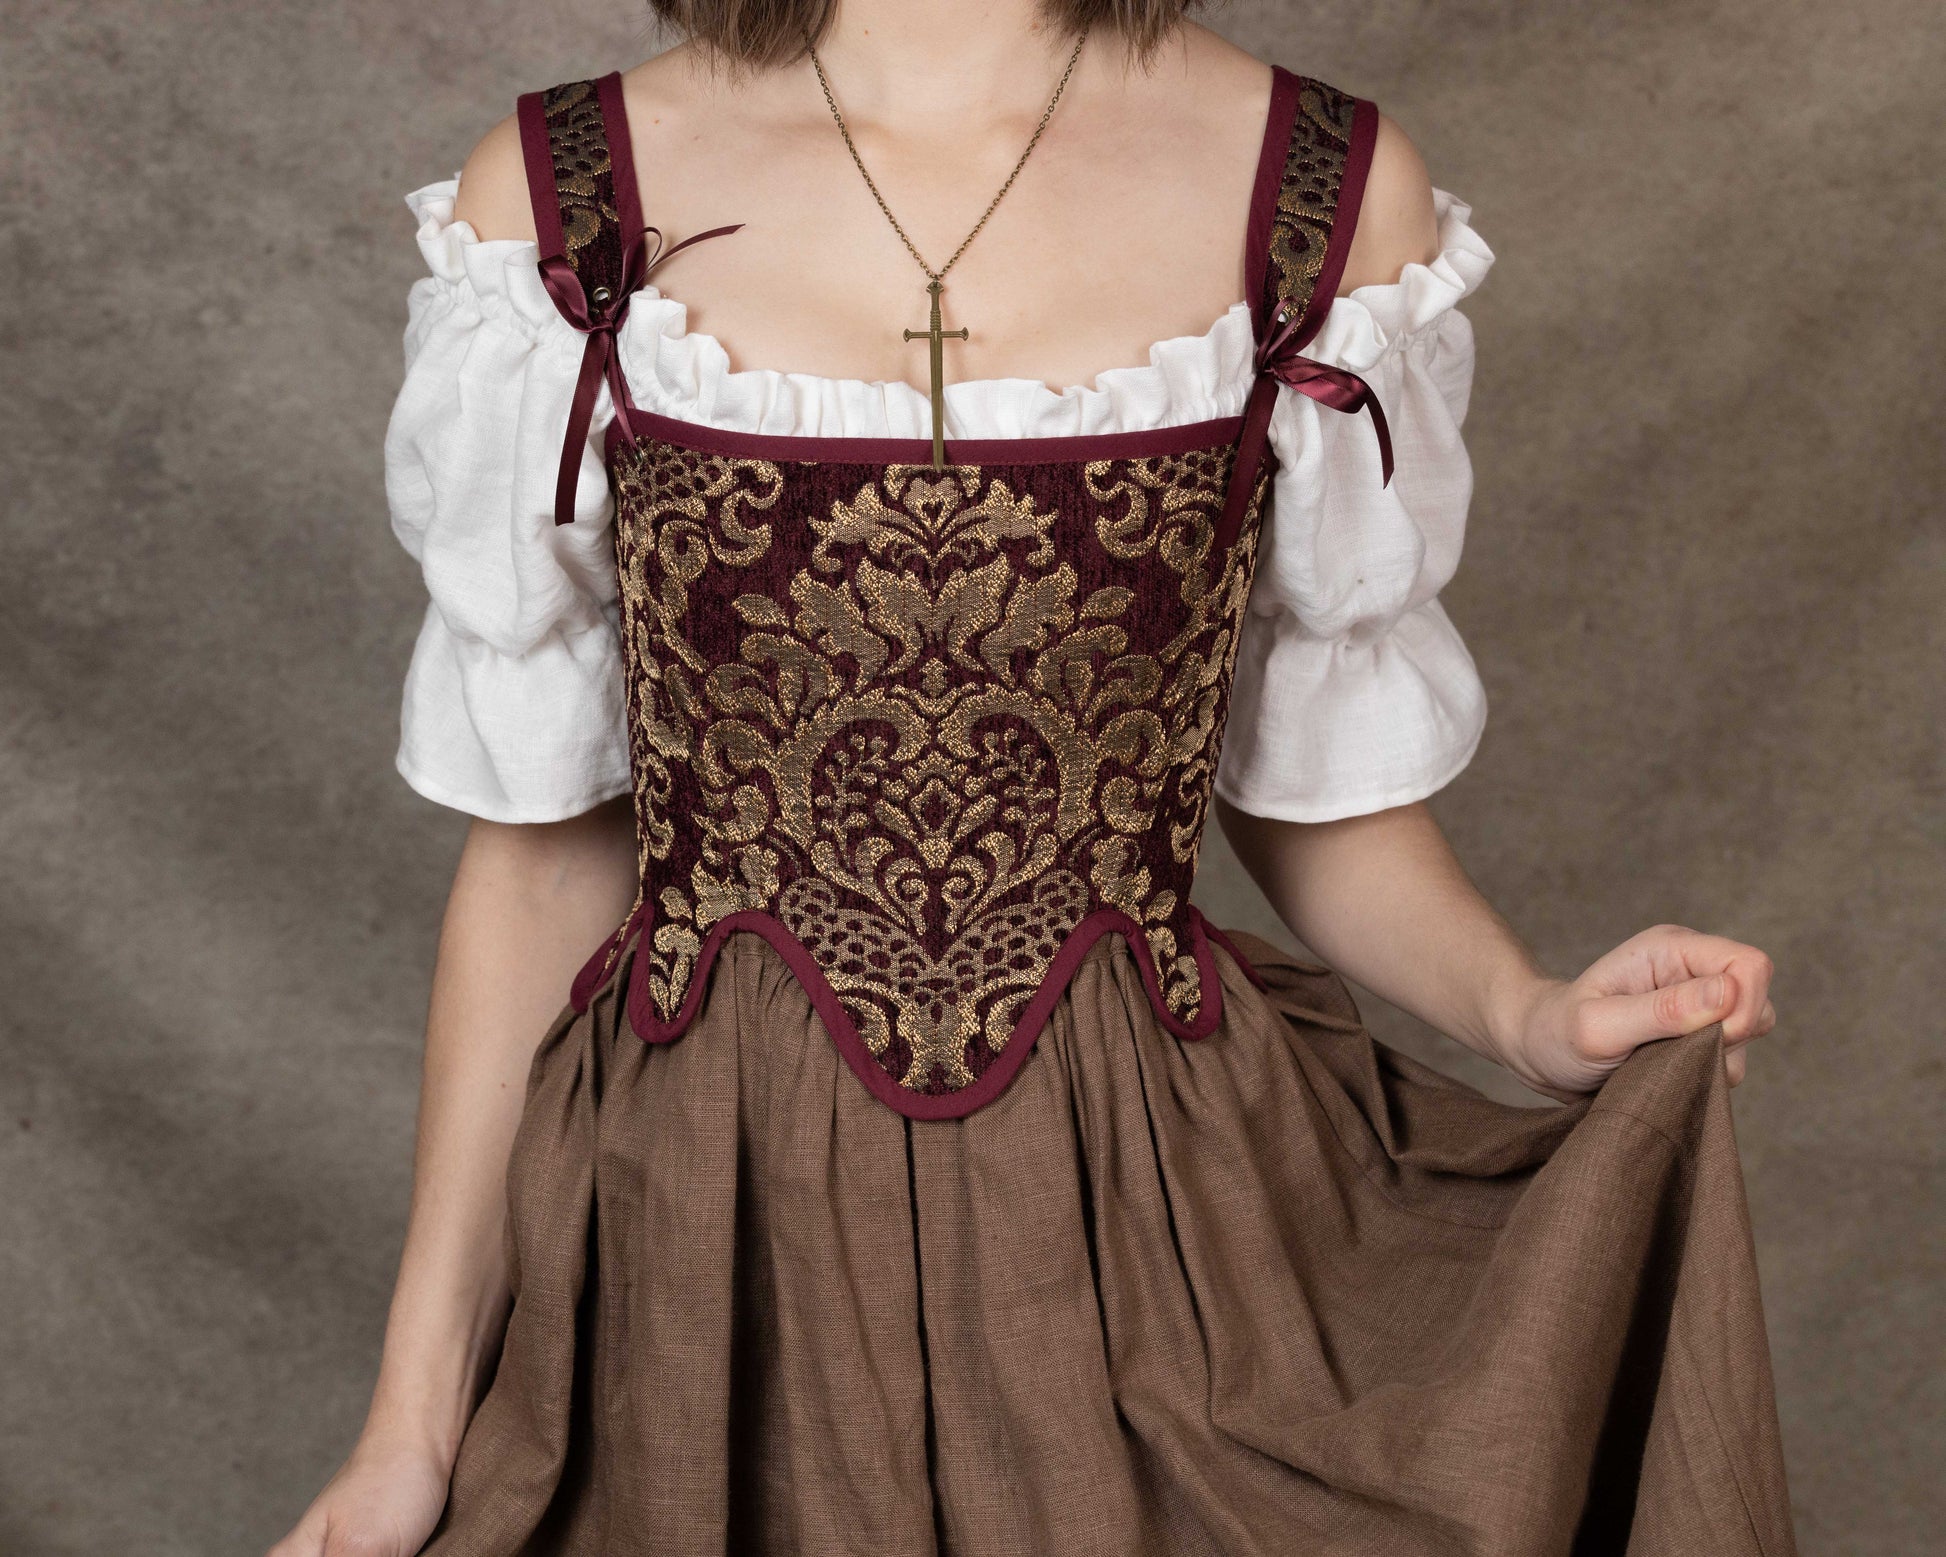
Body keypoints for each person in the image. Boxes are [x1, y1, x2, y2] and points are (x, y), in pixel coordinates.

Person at [270, 2, 1795, 1553]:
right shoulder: (557, 199)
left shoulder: (1316, 189)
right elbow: (543, 854)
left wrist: (1525, 1012)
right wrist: (410, 1420)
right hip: (704, 1235)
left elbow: (1318, 790)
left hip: (1147, 1225)